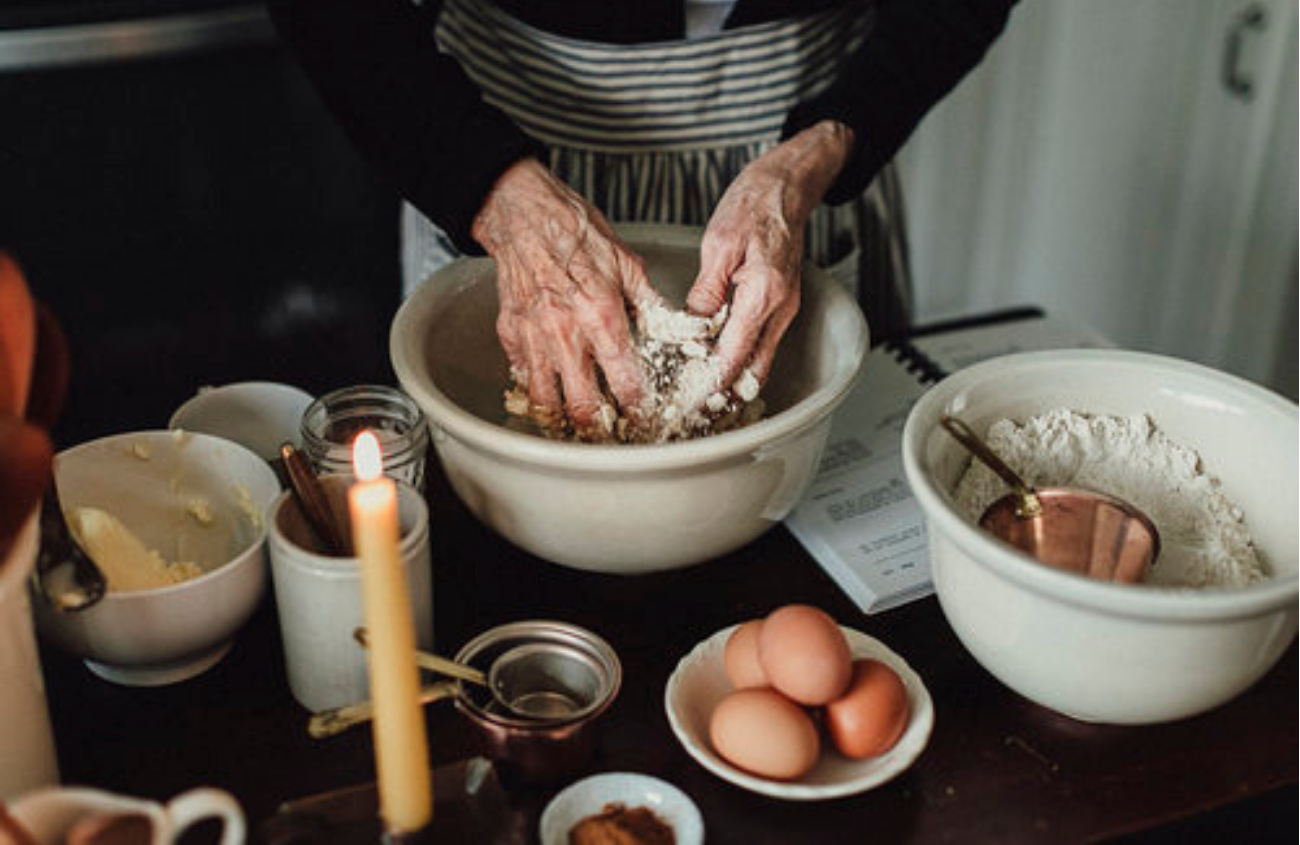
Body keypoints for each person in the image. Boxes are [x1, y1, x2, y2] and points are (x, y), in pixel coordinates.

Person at [267, 0, 1018, 434]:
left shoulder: (816, 156)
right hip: (500, 140)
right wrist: (492, 190)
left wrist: (830, 141)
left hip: (800, 156)